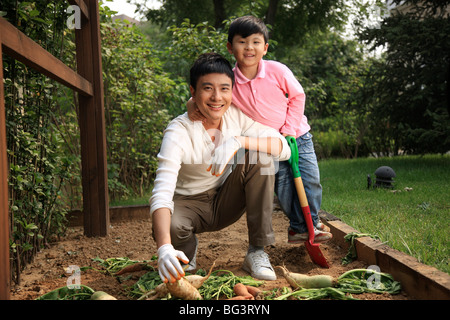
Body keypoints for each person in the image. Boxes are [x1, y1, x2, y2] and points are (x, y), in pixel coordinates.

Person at [188, 15, 332, 244]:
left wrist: (290, 129)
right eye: (242, 41)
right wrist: (191, 104)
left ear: (265, 48)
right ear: (230, 47)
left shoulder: (277, 71)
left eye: (256, 42)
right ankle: (298, 227)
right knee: (283, 185)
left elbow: (297, 96)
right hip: (267, 143)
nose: (249, 47)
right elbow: (208, 95)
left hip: (297, 137)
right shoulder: (230, 80)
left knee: (310, 180)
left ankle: (311, 223)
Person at [150, 52, 291, 283]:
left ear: (232, 92)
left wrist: (238, 141)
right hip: (188, 205)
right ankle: (185, 252)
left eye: (224, 89)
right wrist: (163, 247)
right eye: (207, 88)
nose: (217, 97)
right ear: (193, 92)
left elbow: (283, 147)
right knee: (173, 226)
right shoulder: (178, 131)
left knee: (262, 160)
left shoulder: (236, 117)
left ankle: (257, 250)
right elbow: (162, 193)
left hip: (226, 199)